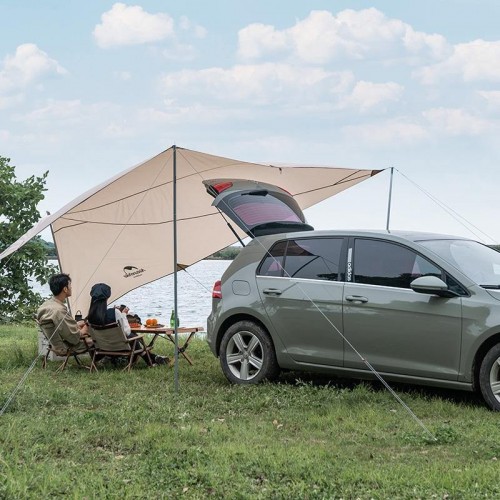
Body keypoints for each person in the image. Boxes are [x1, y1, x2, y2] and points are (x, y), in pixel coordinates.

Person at [87, 283, 167, 366]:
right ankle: (151, 359)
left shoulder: (90, 317)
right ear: (107, 297)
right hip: (120, 347)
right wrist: (123, 314)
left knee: (132, 336)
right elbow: (126, 332)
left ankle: (152, 359)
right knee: (133, 336)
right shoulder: (114, 312)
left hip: (103, 347)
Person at [37, 273, 92, 355]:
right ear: (65, 289)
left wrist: (76, 324)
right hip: (65, 347)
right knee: (99, 340)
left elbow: (60, 326)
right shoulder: (59, 310)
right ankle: (105, 362)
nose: (71, 287)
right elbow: (74, 338)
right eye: (70, 285)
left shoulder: (46, 305)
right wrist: (86, 327)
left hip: (54, 345)